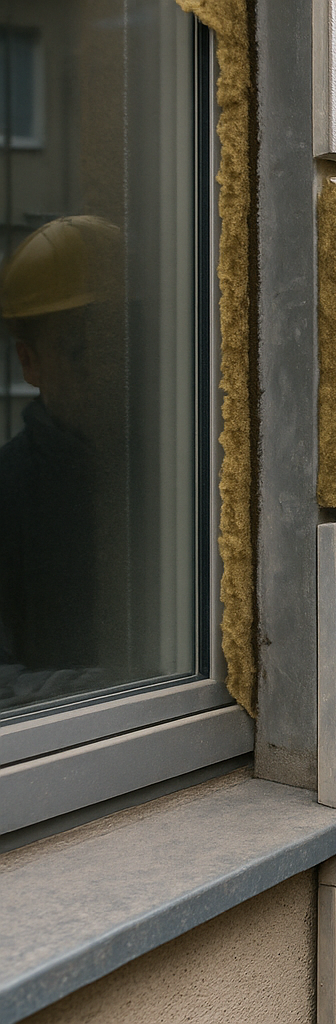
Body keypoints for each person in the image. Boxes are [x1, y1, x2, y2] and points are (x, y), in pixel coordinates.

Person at [0, 215, 124, 711]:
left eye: (117, 344)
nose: (106, 370)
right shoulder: (8, 491)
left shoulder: (189, 473)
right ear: (29, 361)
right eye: (79, 351)